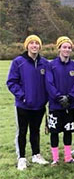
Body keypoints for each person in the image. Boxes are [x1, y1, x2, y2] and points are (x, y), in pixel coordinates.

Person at [7, 35, 49, 170]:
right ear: (27, 46)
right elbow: (11, 82)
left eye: (37, 43)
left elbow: (49, 82)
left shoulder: (45, 63)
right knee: (22, 131)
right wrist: (22, 96)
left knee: (35, 131)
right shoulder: (18, 62)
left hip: (39, 105)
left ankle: (36, 154)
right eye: (32, 43)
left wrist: (45, 98)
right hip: (23, 104)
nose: (34, 45)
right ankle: (22, 158)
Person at [45, 36, 74, 165]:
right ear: (59, 48)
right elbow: (49, 83)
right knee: (54, 132)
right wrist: (58, 96)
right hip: (55, 105)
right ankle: (55, 158)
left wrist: (70, 97)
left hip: (69, 105)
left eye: (69, 47)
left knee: (68, 131)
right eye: (64, 47)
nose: (67, 49)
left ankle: (68, 157)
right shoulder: (51, 65)